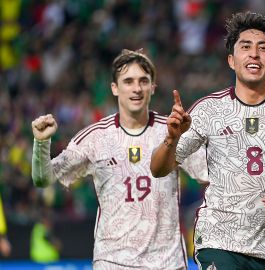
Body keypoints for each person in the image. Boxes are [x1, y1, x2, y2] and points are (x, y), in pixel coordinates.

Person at [151, 11, 265, 269]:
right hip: (218, 240)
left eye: (263, 48)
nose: (254, 54)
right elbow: (158, 169)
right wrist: (171, 139)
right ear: (231, 60)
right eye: (245, 47)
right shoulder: (207, 111)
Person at [31, 49, 207, 269]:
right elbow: (43, 179)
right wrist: (41, 144)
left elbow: (214, 176)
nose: (136, 88)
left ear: (153, 87)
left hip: (166, 263)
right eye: (128, 81)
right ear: (115, 88)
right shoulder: (95, 138)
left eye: (143, 81)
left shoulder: (172, 131)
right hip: (113, 262)